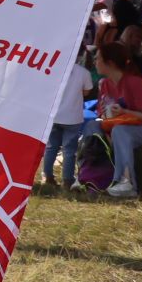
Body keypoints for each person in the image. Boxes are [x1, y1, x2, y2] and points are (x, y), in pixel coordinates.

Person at [86, 40, 142, 199]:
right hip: (118, 126)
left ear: (110, 63)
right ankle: (89, 177)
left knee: (120, 131)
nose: (95, 61)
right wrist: (108, 119)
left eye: (98, 58)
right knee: (91, 126)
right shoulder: (105, 84)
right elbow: (102, 115)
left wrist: (124, 111)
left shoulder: (137, 83)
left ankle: (126, 182)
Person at [43, 46, 94, 189]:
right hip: (72, 117)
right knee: (69, 150)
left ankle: (47, 176)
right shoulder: (83, 73)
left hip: (54, 115)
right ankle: (67, 180)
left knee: (51, 147)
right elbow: (87, 92)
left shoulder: (54, 68)